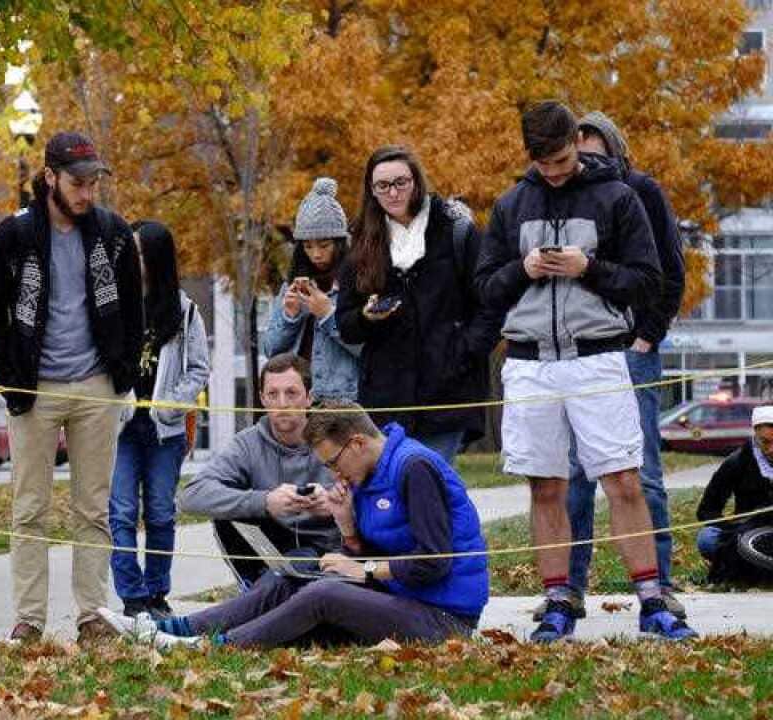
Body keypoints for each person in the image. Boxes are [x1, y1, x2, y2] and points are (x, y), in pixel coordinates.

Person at [474, 100, 696, 642]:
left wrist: (588, 268)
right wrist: (522, 270)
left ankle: (652, 599)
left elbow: (648, 280)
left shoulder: (618, 197)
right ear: (531, 156)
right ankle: (556, 602)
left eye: (563, 159)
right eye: (544, 163)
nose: (555, 172)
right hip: (529, 362)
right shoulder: (510, 205)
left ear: (576, 142)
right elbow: (483, 289)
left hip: (598, 356)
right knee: (545, 486)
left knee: (624, 479)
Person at [101, 400, 489, 649]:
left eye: (334, 462)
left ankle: (211, 647)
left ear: (356, 443)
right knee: (290, 579)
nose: (334, 472)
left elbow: (435, 561)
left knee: (323, 595)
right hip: (406, 600)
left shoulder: (414, 468)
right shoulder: (371, 473)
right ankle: (176, 629)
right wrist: (349, 530)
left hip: (443, 619)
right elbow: (384, 560)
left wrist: (361, 567)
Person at [0, 131, 142, 644]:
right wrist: (8, 379)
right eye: (77, 182)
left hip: (96, 384)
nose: (87, 192)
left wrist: (124, 374)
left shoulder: (113, 233)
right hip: (34, 388)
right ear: (49, 177)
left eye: (94, 182)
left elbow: (133, 310)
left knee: (94, 509)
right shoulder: (13, 235)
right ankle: (29, 620)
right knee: (29, 509)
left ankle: (92, 615)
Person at [537, 112, 689, 620]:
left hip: (632, 349)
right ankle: (569, 588)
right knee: (575, 473)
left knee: (640, 471)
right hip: (578, 350)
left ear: (616, 150)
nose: (588, 160)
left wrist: (648, 335)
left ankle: (659, 584)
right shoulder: (559, 201)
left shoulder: (640, 191)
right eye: (580, 152)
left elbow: (667, 270)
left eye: (596, 150)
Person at [336, 146, 501, 462]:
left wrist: (463, 351)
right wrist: (367, 317)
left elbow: (490, 306)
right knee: (398, 490)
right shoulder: (360, 243)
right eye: (382, 186)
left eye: (401, 182)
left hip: (447, 390)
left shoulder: (455, 231)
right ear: (371, 191)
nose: (393, 192)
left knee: (430, 481)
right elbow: (346, 325)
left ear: (417, 182)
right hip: (387, 398)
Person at [109, 220, 210, 619]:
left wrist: (172, 403)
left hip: (164, 429)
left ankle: (156, 593)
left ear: (157, 257)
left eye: (140, 252)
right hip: (121, 426)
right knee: (119, 512)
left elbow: (199, 368)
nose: (134, 260)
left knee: (160, 511)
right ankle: (131, 597)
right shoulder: (114, 304)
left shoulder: (185, 312)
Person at [178, 353, 341, 588]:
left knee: (295, 567)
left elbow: (378, 493)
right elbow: (190, 496)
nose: (282, 403)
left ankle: (253, 602)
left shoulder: (334, 437)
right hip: (272, 547)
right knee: (228, 514)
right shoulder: (248, 443)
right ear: (262, 399)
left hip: (329, 549)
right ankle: (254, 588)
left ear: (309, 397)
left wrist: (333, 504)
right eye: (273, 394)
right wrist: (265, 501)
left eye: (291, 393)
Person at [262, 178, 360, 401]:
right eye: (307, 246)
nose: (316, 254)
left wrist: (327, 314)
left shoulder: (359, 283)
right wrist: (290, 316)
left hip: (345, 404)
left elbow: (368, 350)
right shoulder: (293, 285)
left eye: (324, 245)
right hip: (299, 402)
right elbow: (270, 351)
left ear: (340, 243)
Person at [695, 405, 773, 585]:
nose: (771, 449)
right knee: (707, 538)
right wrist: (734, 528)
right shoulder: (737, 462)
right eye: (765, 442)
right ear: (755, 435)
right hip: (749, 530)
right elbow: (706, 510)